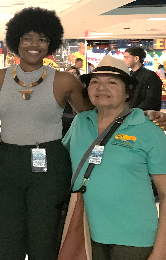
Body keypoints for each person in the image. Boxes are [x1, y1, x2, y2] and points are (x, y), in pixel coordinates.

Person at [0, 6, 93, 260]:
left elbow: (90, 116)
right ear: (16, 41)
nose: (35, 44)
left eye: (42, 39)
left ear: (50, 43)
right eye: (28, 38)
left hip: (50, 161)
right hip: (8, 160)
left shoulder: (65, 80)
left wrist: (132, 114)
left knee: (44, 234)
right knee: (6, 234)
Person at [63, 55, 166, 260]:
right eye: (95, 82)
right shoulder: (80, 122)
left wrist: (160, 252)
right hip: (83, 233)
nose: (101, 88)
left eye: (112, 82)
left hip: (133, 240)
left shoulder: (148, 131)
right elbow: (59, 161)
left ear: (128, 91)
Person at [123, 46, 162, 111]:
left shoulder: (150, 76)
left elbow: (152, 101)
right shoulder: (128, 75)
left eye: (126, 57)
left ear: (136, 58)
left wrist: (133, 112)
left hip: (142, 116)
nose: (124, 60)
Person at [62, 66, 81, 136]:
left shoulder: (84, 89)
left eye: (73, 73)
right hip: (65, 121)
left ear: (78, 75)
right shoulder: (61, 90)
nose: (71, 75)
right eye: (69, 73)